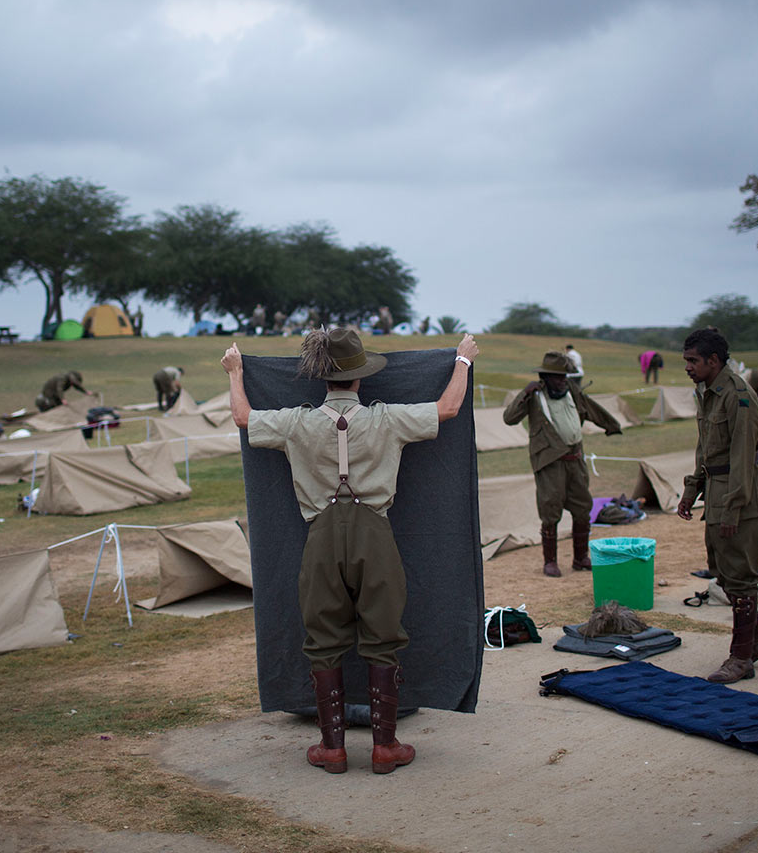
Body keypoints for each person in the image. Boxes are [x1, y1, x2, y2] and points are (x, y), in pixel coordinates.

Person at [223, 328, 480, 775]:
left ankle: (332, 749)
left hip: (319, 535)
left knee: (322, 640)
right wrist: (462, 361)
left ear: (324, 379)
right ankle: (385, 747)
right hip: (375, 534)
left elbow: (243, 418)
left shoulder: (297, 422)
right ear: (360, 379)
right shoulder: (387, 419)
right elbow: (449, 408)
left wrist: (236, 371)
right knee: (383, 637)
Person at [675, 328, 758, 684]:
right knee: (721, 569)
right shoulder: (708, 394)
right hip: (717, 491)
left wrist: (733, 507)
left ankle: (742, 657)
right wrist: (691, 490)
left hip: (741, 494)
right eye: (686, 360)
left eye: (693, 361)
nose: (687, 367)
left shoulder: (738, 396)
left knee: (741, 575)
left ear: (713, 361)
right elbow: (707, 449)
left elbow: (742, 456)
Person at [503, 350, 623, 577]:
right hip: (550, 461)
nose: (562, 380)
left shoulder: (572, 392)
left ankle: (580, 558)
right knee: (550, 508)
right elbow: (509, 418)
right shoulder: (535, 397)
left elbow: (592, 409)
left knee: (582, 506)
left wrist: (611, 425)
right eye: (557, 377)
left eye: (565, 376)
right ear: (546, 377)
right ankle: (550, 562)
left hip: (575, 459)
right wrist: (524, 393)